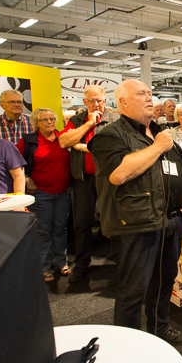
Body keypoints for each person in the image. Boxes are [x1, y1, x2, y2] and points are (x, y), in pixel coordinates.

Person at [88, 80, 182, 345]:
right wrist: (157, 147)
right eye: (141, 94)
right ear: (123, 102)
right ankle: (129, 345)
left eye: (150, 93)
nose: (149, 98)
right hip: (137, 224)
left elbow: (177, 169)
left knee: (164, 281)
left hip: (171, 219)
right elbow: (119, 173)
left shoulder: (159, 132)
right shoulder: (110, 135)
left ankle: (160, 328)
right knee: (133, 290)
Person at [58, 85, 121, 283]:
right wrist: (88, 124)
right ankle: (82, 264)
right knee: (82, 223)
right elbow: (64, 142)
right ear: (84, 102)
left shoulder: (114, 120)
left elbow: (113, 148)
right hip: (83, 179)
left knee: (113, 220)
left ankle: (119, 262)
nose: (96, 104)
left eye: (99, 100)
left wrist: (83, 147)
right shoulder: (76, 120)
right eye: (92, 101)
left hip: (108, 179)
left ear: (105, 100)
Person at [18, 108, 71, 282]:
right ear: (36, 123)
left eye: (52, 119)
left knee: (60, 228)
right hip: (40, 192)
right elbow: (16, 165)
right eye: (44, 119)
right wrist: (27, 179)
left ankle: (61, 262)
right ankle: (43, 267)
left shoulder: (64, 138)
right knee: (43, 230)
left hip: (63, 191)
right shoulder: (28, 141)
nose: (49, 122)